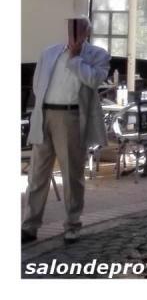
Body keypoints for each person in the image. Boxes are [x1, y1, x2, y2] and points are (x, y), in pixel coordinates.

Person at [23, 17, 111, 244]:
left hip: (71, 117)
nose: (74, 31)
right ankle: (30, 225)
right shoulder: (49, 52)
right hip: (45, 114)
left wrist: (75, 57)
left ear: (87, 31)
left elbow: (93, 80)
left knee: (72, 174)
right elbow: (37, 84)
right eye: (72, 26)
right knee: (37, 174)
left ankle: (72, 225)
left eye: (80, 27)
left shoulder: (97, 55)